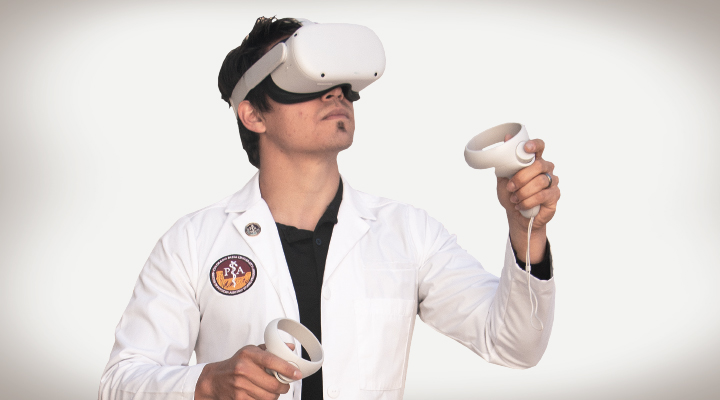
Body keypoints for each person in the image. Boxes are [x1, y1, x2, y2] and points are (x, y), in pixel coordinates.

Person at [99, 16, 560, 400]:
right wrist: (205, 384)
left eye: (340, 79)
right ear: (254, 114)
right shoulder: (191, 243)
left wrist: (527, 230)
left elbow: (515, 345)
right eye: (303, 76)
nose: (334, 91)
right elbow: (119, 382)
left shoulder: (408, 234)